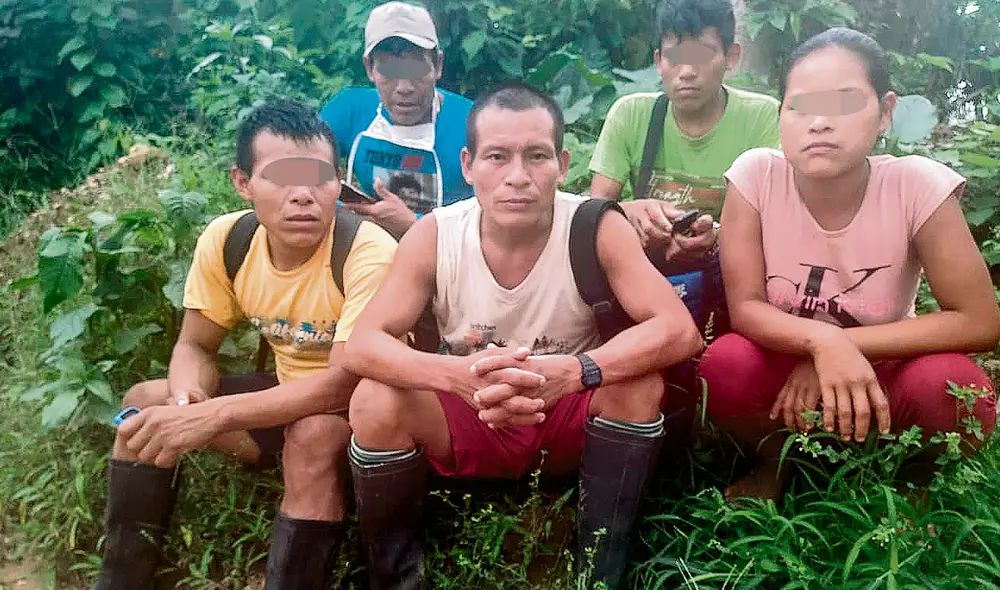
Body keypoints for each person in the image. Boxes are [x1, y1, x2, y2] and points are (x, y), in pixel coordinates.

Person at [342, 82, 704, 590]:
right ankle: (395, 576)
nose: (517, 176)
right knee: (374, 400)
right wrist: (456, 376)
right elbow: (363, 344)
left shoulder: (594, 226)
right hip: (470, 409)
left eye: (536, 156)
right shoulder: (436, 234)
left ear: (562, 163)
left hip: (565, 411)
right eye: (497, 156)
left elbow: (678, 330)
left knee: (637, 385)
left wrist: (576, 372)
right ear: (468, 165)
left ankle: (600, 569)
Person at [88, 100, 398, 590]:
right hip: (277, 401)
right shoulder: (228, 239)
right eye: (281, 177)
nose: (303, 195)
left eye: (319, 177)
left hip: (358, 416)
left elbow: (343, 385)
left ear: (338, 182)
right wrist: (188, 401)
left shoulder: (367, 251)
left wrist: (216, 417)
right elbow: (196, 345)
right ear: (242, 182)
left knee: (313, 434)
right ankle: (121, 579)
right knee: (144, 403)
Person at [699, 27, 999, 501]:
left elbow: (979, 321)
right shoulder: (757, 177)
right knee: (726, 363)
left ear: (885, 112)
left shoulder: (916, 186)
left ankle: (911, 484)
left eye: (844, 103)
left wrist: (839, 347)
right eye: (800, 106)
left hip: (883, 371)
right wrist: (818, 342)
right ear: (781, 115)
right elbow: (747, 308)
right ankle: (778, 461)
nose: (819, 123)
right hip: (786, 373)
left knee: (956, 388)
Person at [589, 0, 779, 266]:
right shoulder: (630, 114)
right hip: (645, 272)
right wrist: (628, 211)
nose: (687, 72)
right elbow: (593, 212)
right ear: (658, 61)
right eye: (675, 57)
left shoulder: (762, 117)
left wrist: (718, 237)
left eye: (702, 56)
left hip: (732, 272)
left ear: (732, 57)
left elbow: (776, 220)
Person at [319, 1, 474, 237]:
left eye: (416, 70)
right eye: (389, 71)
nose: (404, 87)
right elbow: (303, 170)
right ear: (369, 68)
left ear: (438, 65)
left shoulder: (473, 121)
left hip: (452, 248)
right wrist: (351, 214)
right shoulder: (349, 110)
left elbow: (493, 217)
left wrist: (413, 224)